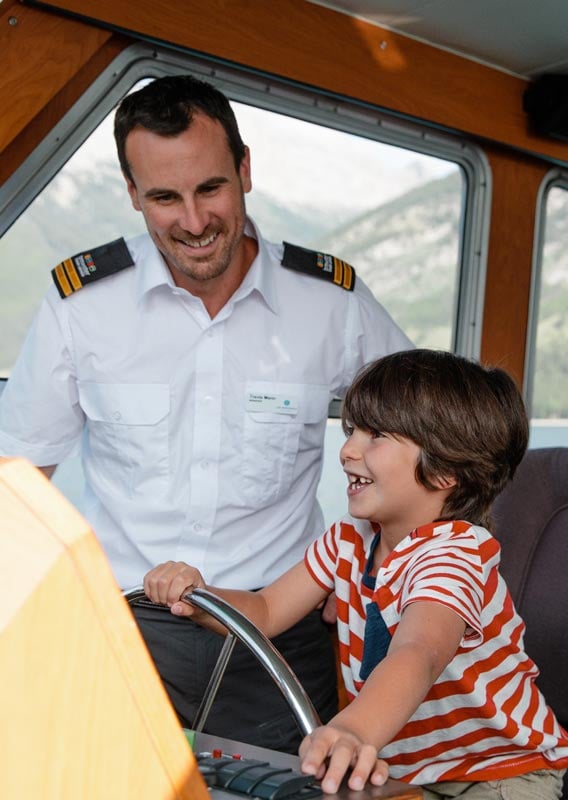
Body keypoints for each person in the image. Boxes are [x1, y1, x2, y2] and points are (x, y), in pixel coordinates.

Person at [0, 74, 412, 751]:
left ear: (245, 170)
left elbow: (425, 437)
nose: (193, 222)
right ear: (133, 195)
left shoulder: (330, 301)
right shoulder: (81, 303)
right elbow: (17, 482)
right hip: (124, 630)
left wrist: (372, 571)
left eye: (210, 188)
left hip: (276, 630)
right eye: (164, 197)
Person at [143, 349, 568, 799]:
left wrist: (350, 729)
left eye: (376, 435)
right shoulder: (349, 538)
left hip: (501, 772)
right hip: (406, 772)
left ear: (445, 470)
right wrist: (198, 596)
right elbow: (265, 610)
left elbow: (418, 651)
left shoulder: (456, 553)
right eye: (352, 431)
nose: (347, 450)